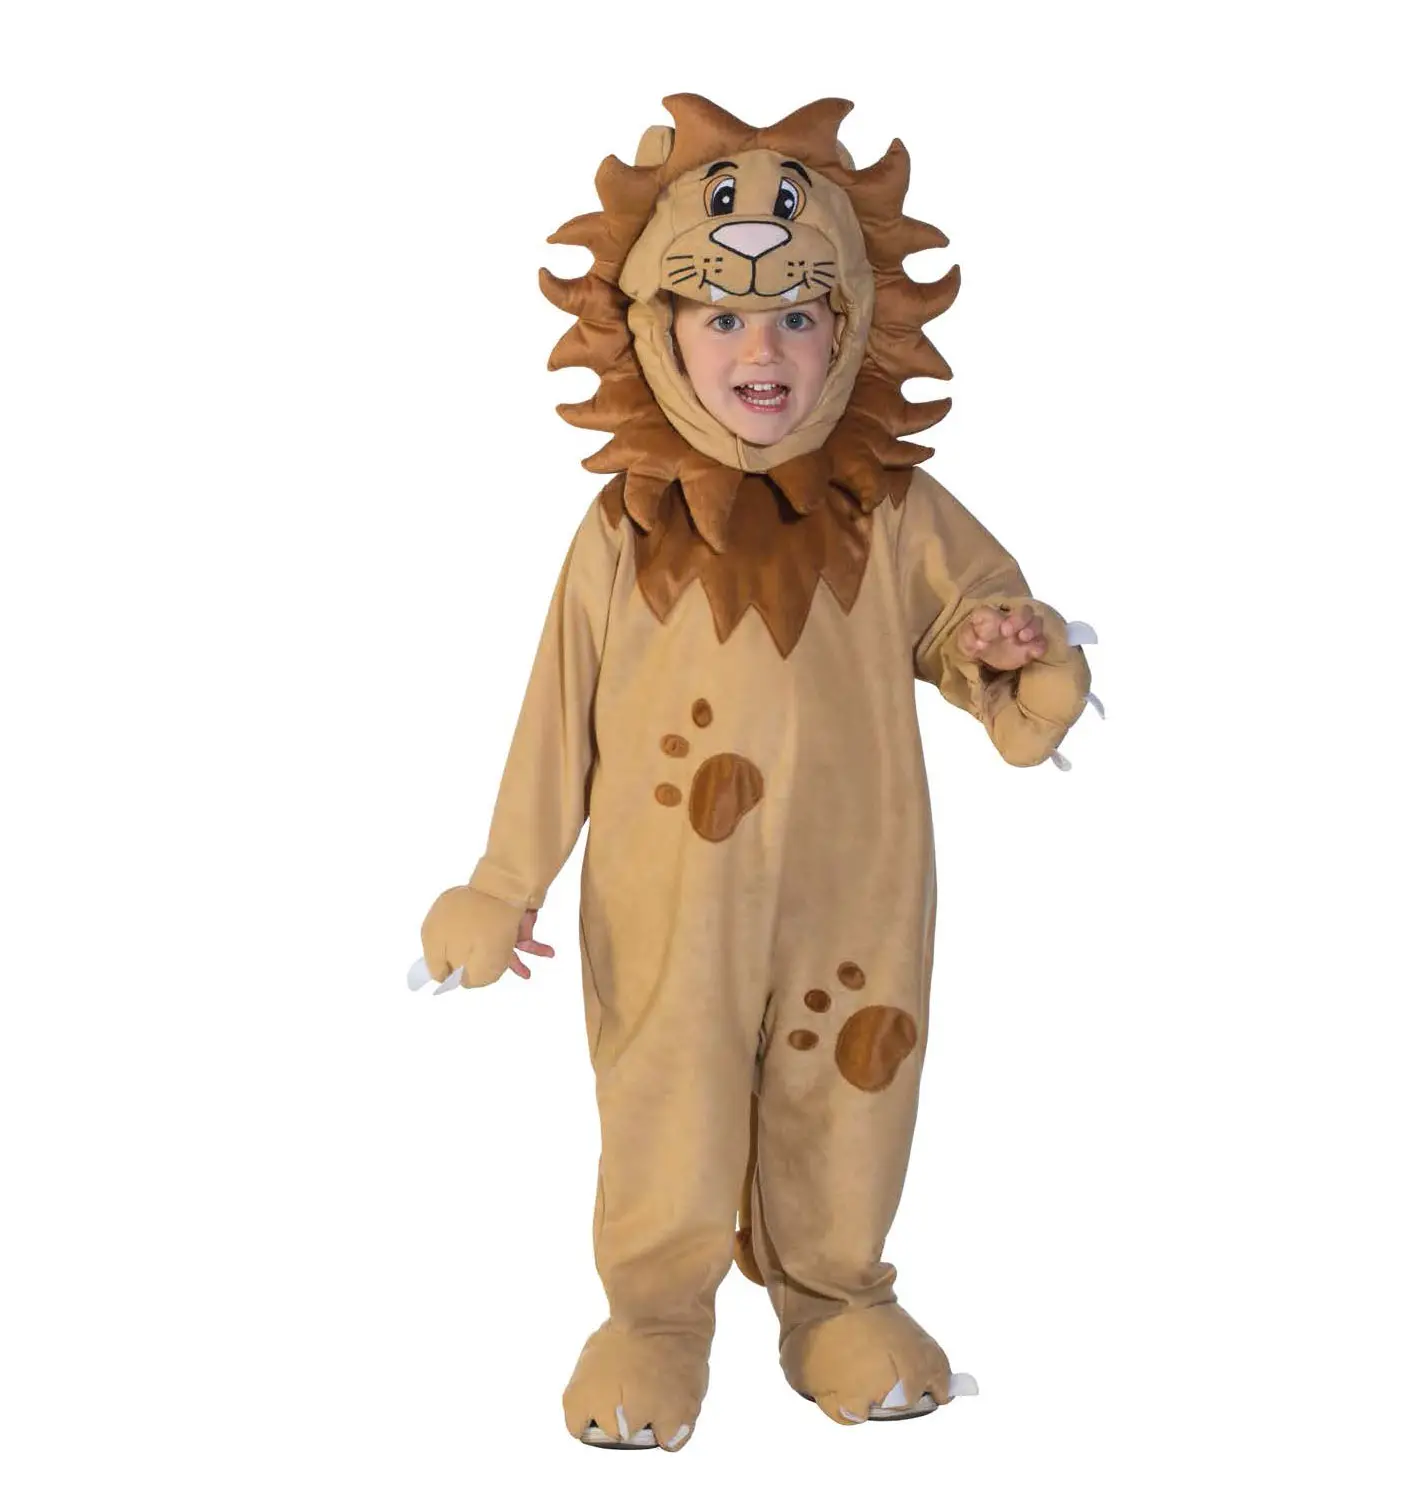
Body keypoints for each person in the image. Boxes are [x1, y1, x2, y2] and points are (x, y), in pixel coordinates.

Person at [413, 94, 1096, 1452]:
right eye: (719, 314)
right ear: (652, 330)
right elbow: (558, 713)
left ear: (851, 327)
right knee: (666, 1097)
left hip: (857, 896)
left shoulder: (895, 510)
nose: (761, 348)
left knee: (853, 1088)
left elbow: (980, 625)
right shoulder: (625, 528)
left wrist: (1011, 651)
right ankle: (656, 1319)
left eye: (796, 312)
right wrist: (502, 880)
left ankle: (834, 1299)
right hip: (670, 898)